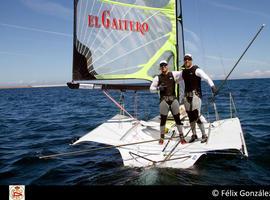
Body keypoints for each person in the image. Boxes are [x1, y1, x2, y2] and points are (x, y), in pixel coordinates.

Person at [181, 54, 217, 143]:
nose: (187, 61)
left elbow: (206, 77)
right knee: (190, 116)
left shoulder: (196, 70)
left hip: (195, 96)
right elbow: (176, 78)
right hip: (186, 96)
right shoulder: (183, 72)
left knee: (196, 116)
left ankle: (204, 135)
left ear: (191, 60)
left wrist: (212, 86)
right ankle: (194, 135)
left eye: (188, 59)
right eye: (185, 59)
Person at [150, 60, 187, 145]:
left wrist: (184, 68)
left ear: (167, 66)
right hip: (164, 100)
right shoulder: (157, 78)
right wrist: (158, 88)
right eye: (162, 66)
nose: (163, 67)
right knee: (163, 120)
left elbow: (182, 73)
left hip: (173, 99)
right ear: (160, 68)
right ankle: (162, 137)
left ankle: (181, 136)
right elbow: (151, 89)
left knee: (177, 118)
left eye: (165, 65)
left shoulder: (173, 74)